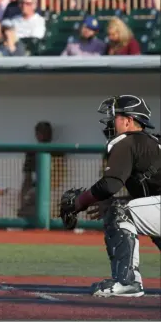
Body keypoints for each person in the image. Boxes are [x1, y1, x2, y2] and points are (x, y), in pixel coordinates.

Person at [60, 95, 160, 298]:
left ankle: (127, 281)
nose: (109, 122)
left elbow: (110, 184)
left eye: (114, 116)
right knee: (119, 208)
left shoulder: (126, 141)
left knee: (119, 212)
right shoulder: (150, 142)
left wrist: (80, 202)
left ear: (128, 120)